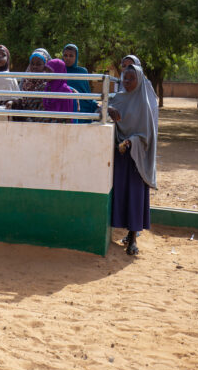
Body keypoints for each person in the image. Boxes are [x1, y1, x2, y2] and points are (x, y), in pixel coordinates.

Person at [107, 64, 158, 255]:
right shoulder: (118, 98)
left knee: (135, 196)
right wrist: (109, 109)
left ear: (139, 80)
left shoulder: (145, 103)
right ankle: (125, 233)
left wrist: (131, 141)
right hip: (120, 155)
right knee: (121, 193)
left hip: (136, 158)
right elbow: (100, 107)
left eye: (131, 78)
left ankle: (133, 237)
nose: (127, 82)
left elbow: (147, 135)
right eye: (125, 78)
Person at [7, 48, 50, 121]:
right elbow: (19, 97)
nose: (34, 67)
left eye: (38, 64)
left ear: (45, 65)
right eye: (32, 64)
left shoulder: (48, 82)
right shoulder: (26, 80)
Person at [62, 43, 97, 123]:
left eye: (71, 56)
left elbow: (86, 92)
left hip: (81, 110)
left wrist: (95, 104)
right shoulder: (59, 70)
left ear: (76, 57)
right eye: (65, 55)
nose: (68, 58)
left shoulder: (82, 71)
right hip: (63, 111)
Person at [43, 58, 77, 123]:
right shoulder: (47, 87)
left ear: (58, 71)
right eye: (46, 70)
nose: (46, 73)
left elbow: (68, 118)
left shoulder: (65, 91)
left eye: (49, 71)